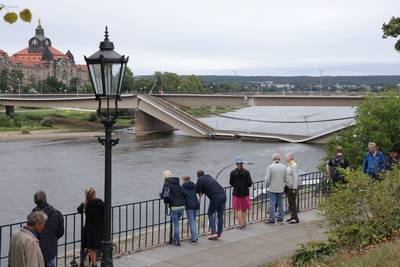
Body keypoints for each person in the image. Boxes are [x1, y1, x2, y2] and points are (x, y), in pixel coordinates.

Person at [32, 191, 64, 267]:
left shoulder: (32, 216)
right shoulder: (57, 214)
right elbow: (61, 231)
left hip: (37, 251)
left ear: (35, 202)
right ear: (46, 199)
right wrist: (53, 238)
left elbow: (29, 233)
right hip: (51, 249)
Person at [195, 170, 227, 240]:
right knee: (220, 215)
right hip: (223, 194)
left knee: (210, 213)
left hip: (215, 197)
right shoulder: (209, 176)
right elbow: (207, 186)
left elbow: (197, 189)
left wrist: (201, 192)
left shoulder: (200, 179)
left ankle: (213, 232)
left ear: (198, 176)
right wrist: (203, 191)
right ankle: (219, 234)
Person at [77, 188, 105, 267]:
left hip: (89, 228)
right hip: (99, 227)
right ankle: (98, 261)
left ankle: (94, 263)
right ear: (94, 193)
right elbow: (105, 212)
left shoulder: (86, 204)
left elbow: (79, 210)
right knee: (97, 245)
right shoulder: (100, 202)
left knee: (91, 247)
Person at [160, 170, 185, 246]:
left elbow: (165, 195)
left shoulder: (166, 184)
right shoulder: (178, 183)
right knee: (176, 222)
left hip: (174, 206)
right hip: (182, 205)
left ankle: (177, 241)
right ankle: (174, 238)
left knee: (176, 224)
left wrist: (163, 198)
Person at [265, 153, 289, 225]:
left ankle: (272, 219)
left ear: (273, 159)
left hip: (272, 188)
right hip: (280, 188)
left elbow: (267, 179)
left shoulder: (270, 167)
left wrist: (267, 185)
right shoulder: (284, 167)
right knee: (280, 204)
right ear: (279, 159)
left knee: (272, 204)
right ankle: (280, 219)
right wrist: (287, 185)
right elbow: (286, 178)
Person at [229, 156, 252, 228]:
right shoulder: (247, 172)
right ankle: (244, 222)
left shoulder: (232, 172)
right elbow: (250, 183)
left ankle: (241, 224)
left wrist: (236, 185)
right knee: (244, 208)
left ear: (236, 164)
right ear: (242, 163)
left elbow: (231, 183)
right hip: (245, 192)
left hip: (236, 192)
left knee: (238, 209)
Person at [181, 176, 200, 243]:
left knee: (192, 222)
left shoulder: (182, 187)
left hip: (189, 206)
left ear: (184, 180)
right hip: (196, 205)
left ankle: (194, 239)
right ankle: (195, 237)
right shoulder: (193, 185)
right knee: (194, 222)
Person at [285, 152, 300, 224]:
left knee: (292, 202)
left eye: (286, 157)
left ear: (290, 157)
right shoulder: (290, 165)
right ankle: (292, 216)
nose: (285, 158)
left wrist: (294, 188)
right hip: (289, 186)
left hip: (292, 187)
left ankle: (295, 218)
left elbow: (295, 177)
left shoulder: (294, 165)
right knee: (290, 202)